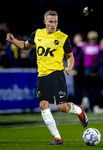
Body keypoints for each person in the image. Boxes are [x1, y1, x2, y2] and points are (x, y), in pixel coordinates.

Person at [6, 10, 88, 145]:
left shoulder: (63, 37)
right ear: (45, 22)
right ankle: (57, 138)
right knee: (43, 105)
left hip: (57, 74)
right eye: (50, 21)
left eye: (55, 22)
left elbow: (70, 56)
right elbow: (25, 46)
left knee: (61, 107)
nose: (53, 24)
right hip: (42, 76)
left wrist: (69, 67)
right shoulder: (37, 34)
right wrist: (13, 40)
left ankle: (79, 110)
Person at [81, 31, 101, 113]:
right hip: (95, 70)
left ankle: (85, 99)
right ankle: (95, 106)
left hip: (86, 70)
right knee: (95, 89)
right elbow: (99, 60)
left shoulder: (84, 47)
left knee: (86, 88)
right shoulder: (98, 47)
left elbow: (81, 58)